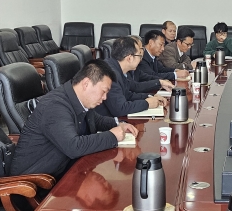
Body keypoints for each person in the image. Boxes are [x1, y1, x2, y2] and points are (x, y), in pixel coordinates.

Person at [10, 59, 139, 179]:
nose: (105, 97)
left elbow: (95, 120)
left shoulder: (79, 100)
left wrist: (119, 124)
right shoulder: (55, 106)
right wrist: (112, 136)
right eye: (104, 91)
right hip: (36, 183)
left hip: (66, 170)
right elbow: (74, 147)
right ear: (86, 84)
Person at [96, 37, 167, 117]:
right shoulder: (111, 74)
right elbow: (120, 109)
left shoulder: (116, 68)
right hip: (105, 120)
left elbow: (127, 95)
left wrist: (150, 96)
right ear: (129, 58)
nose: (141, 59)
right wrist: (147, 104)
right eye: (139, 55)